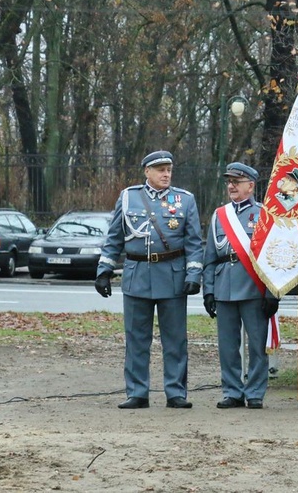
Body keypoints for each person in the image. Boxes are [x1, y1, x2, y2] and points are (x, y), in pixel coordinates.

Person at [95, 150, 203, 409]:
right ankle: (137, 392)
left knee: (175, 339)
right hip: (137, 274)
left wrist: (194, 274)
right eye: (160, 169)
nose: (166, 174)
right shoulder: (129, 197)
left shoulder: (185, 200)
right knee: (136, 338)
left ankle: (176, 392)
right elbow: (114, 238)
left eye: (169, 169)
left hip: (172, 275)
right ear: (147, 172)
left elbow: (194, 243)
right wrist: (104, 270)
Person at [202, 162, 280, 410]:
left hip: (254, 287)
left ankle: (255, 392)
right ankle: (232, 391)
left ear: (251, 185)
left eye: (237, 181)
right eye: (229, 182)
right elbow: (211, 257)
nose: (232, 186)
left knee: (257, 344)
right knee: (227, 345)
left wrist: (271, 292)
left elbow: (273, 257)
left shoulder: (264, 215)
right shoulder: (219, 215)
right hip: (225, 285)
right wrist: (209, 290)